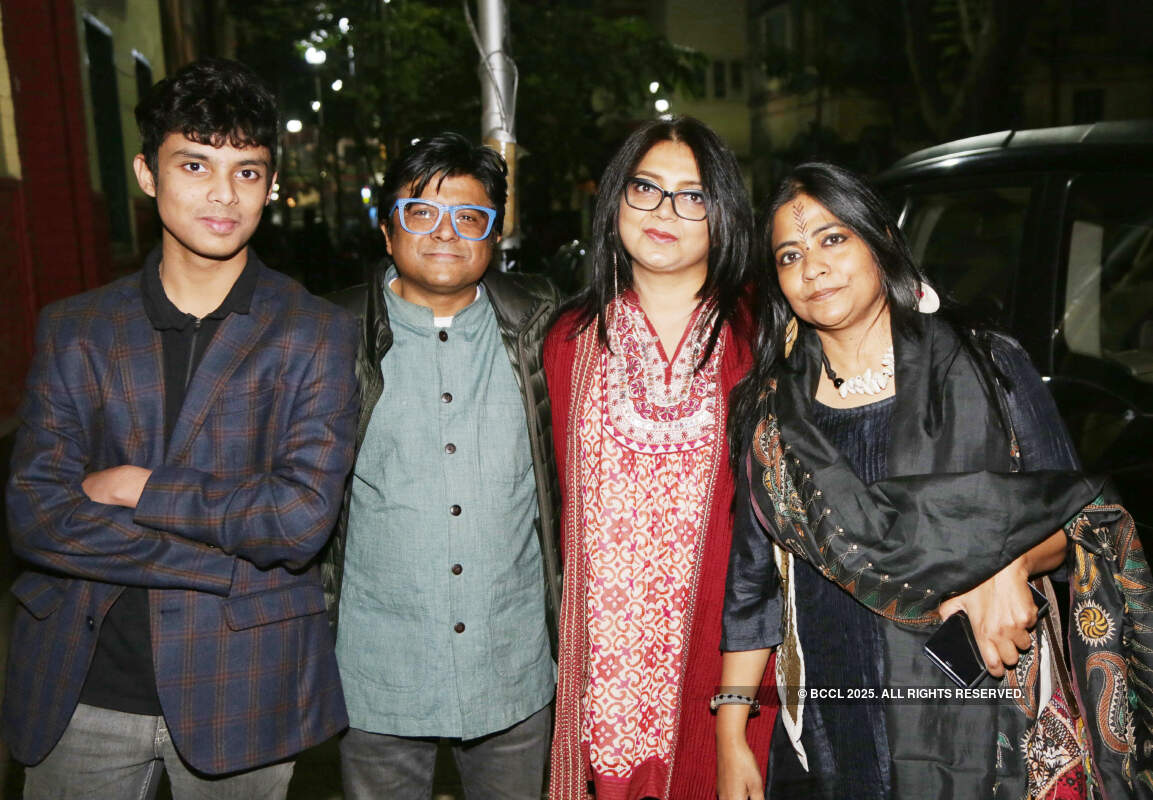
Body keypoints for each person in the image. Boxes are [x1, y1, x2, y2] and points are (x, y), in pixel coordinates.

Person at [717, 162, 1153, 799]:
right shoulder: (770, 415)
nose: (812, 268)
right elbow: (751, 584)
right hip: (829, 724)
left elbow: (1078, 522)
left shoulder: (987, 364)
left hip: (980, 709)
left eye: (833, 239)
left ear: (881, 243)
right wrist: (732, 733)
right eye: (790, 254)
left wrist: (1011, 564)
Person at [3, 58, 358, 798]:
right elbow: (37, 516)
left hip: (244, 682)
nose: (223, 195)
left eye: (248, 171)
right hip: (80, 682)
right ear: (145, 173)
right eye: (194, 164)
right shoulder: (76, 329)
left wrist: (141, 487)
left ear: (271, 184)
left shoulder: (315, 331)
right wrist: (228, 566)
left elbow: (295, 522)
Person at [322, 132, 561, 800]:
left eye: (469, 217)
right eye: (420, 213)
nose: (445, 233)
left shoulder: (545, 331)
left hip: (511, 663)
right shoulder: (329, 335)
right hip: (377, 671)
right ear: (387, 227)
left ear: (495, 229)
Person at [544, 116, 776, 799]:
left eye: (692, 195)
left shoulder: (765, 337)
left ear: (722, 214)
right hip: (605, 681)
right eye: (644, 188)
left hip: (728, 664)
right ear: (615, 199)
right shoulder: (567, 341)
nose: (664, 211)